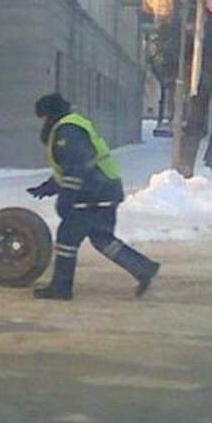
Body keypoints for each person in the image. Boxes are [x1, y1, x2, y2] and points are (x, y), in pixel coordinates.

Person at [27, 93, 160, 301]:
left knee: (67, 239)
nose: (42, 123)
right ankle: (142, 267)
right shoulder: (74, 126)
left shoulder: (66, 131)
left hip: (92, 194)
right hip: (105, 189)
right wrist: (48, 187)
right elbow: (75, 166)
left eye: (43, 118)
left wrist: (66, 199)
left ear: (50, 114)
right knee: (102, 238)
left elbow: (76, 166)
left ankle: (61, 288)